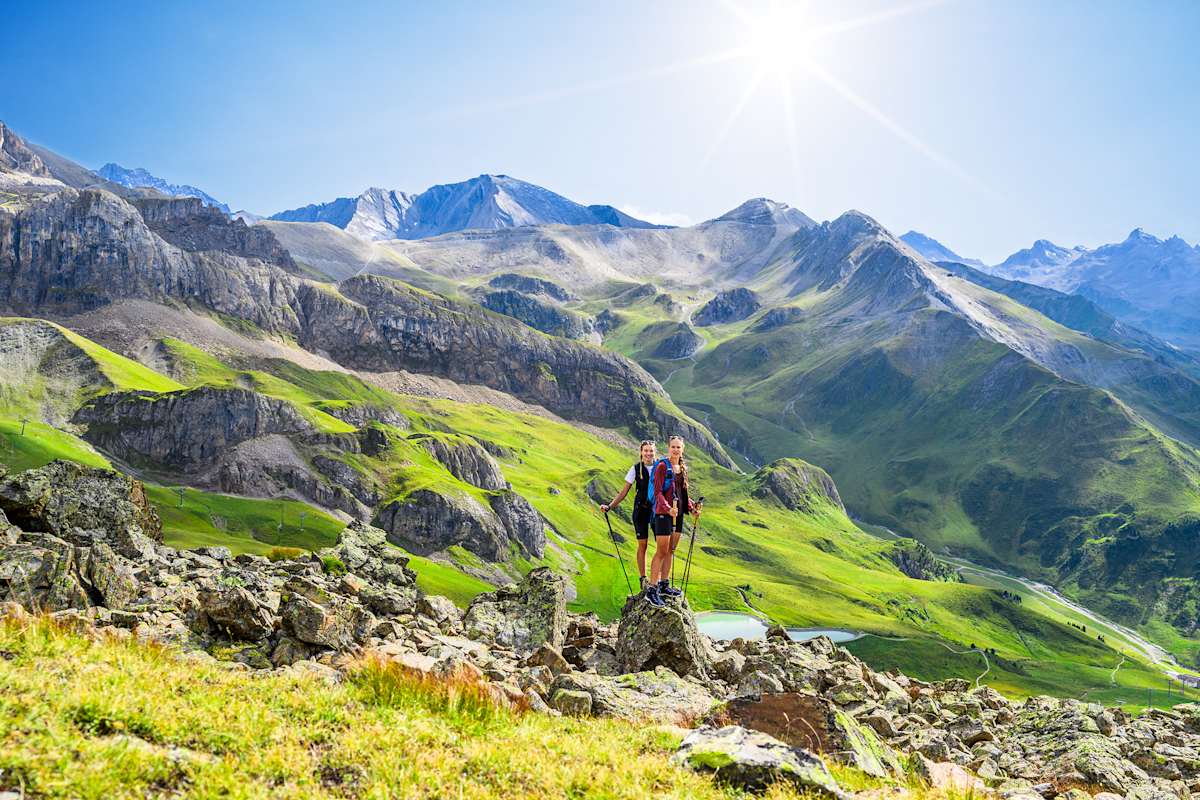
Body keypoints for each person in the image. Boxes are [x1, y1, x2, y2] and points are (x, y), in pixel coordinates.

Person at [646, 435, 702, 606]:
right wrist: (668, 508)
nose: (676, 450)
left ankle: (664, 585)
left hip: (678, 514)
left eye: (678, 447)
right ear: (668, 448)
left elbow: (682, 493)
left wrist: (692, 507)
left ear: (682, 449)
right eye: (673, 447)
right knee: (661, 552)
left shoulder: (682, 468)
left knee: (671, 550)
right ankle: (652, 590)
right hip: (663, 514)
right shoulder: (663, 466)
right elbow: (657, 492)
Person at [600, 440, 657, 591]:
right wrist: (610, 506)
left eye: (651, 451)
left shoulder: (660, 467)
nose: (648, 453)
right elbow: (624, 492)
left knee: (662, 545)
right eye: (646, 450)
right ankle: (643, 578)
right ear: (641, 452)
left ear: (654, 452)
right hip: (640, 511)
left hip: (657, 510)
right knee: (642, 544)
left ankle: (658, 580)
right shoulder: (635, 469)